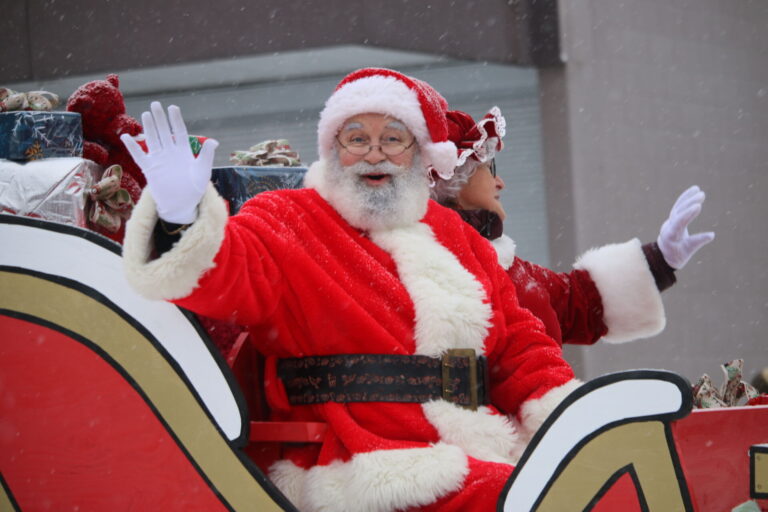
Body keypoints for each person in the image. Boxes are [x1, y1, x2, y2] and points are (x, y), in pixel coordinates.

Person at [120, 68, 580, 512]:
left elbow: (521, 346)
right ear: (331, 150)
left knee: (577, 487)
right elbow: (225, 275)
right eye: (356, 139)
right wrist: (181, 217)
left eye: (392, 139)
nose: (374, 154)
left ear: (419, 154)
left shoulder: (457, 237)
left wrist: (573, 422)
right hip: (357, 462)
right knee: (516, 497)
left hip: (480, 445)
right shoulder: (286, 219)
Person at [433, 107, 715, 346]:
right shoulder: (427, 268)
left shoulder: (509, 268)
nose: (500, 182)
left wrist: (660, 258)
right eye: (489, 169)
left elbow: (578, 302)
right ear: (454, 182)